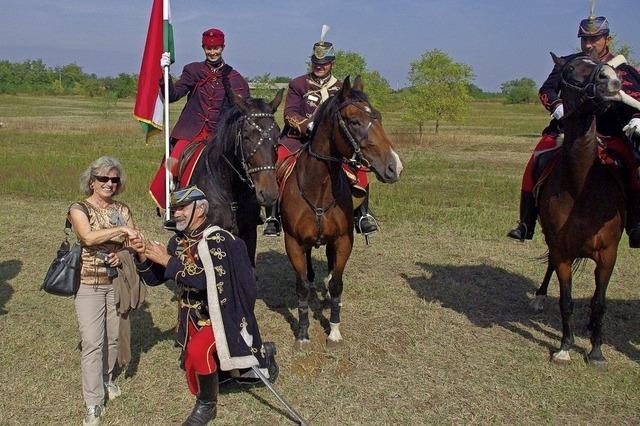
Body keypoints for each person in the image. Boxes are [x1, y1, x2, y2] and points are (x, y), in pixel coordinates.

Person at [131, 185, 278, 426]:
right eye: (174, 208)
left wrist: (167, 260)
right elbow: (155, 279)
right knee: (191, 374)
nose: (175, 213)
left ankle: (207, 407)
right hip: (190, 319)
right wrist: (143, 256)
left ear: (200, 210)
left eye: (181, 208)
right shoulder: (178, 241)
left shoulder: (217, 239)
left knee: (199, 352)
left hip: (219, 315)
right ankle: (249, 361)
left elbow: (203, 280)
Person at [507, 14, 640, 245]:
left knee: (634, 167)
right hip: (568, 132)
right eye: (584, 39)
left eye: (595, 39)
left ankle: (635, 224)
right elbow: (546, 90)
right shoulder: (570, 64)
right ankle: (526, 222)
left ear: (606, 39)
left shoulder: (624, 70)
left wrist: (637, 118)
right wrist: (556, 105)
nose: (588, 44)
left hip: (609, 133)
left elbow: (636, 98)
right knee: (536, 162)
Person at [263, 26, 379, 236]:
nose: (319, 67)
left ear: (332, 64)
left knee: (359, 164)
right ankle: (272, 215)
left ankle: (362, 214)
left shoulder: (341, 89)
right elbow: (289, 113)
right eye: (316, 63)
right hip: (298, 140)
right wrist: (306, 124)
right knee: (276, 161)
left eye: (324, 64)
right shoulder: (298, 84)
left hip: (333, 143)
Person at [68, 156, 141, 426]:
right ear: (91, 181)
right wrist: (120, 230)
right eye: (103, 179)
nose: (109, 183)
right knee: (91, 342)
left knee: (112, 338)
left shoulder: (122, 208)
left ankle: (107, 377)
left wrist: (121, 253)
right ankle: (93, 404)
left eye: (114, 179)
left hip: (116, 282)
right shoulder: (79, 208)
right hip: (88, 283)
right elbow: (86, 237)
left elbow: (135, 241)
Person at [149, 27, 250, 217]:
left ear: (223, 47)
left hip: (219, 135)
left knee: (244, 163)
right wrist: (165, 77)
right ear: (203, 48)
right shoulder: (193, 70)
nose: (213, 52)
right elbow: (173, 95)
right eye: (209, 48)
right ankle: (173, 204)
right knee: (172, 163)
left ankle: (249, 206)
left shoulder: (234, 77)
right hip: (191, 132)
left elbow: (243, 106)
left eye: (217, 48)